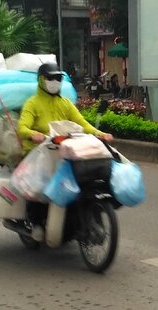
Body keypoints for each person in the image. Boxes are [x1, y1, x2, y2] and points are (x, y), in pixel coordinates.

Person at [15, 62, 114, 242]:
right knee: (39, 186)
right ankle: (35, 222)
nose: (55, 81)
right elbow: (22, 128)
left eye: (58, 78)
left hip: (62, 150)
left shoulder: (65, 103)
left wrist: (99, 134)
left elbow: (82, 124)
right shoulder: (32, 103)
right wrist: (33, 134)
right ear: (41, 80)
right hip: (38, 152)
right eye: (50, 78)